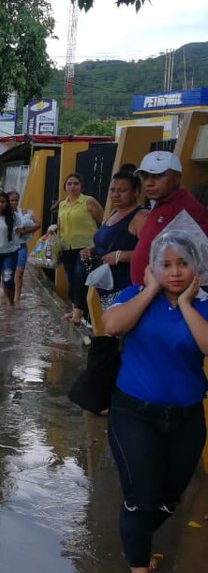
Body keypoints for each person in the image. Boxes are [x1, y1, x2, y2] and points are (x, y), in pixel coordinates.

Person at [102, 229, 208, 573]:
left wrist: (188, 305)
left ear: (198, 267)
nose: (175, 272)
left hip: (186, 420)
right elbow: (111, 325)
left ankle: (136, 539)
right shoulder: (136, 296)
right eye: (165, 264)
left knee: (168, 501)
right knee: (141, 496)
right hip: (134, 414)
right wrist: (148, 290)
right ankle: (137, 564)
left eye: (183, 263)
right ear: (152, 268)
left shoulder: (204, 305)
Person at [130, 151, 208, 285]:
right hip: (148, 293)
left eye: (158, 176)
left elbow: (199, 260)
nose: (149, 183)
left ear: (177, 178)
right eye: (145, 176)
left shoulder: (187, 208)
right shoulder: (161, 204)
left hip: (165, 297)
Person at [80, 167, 146, 310]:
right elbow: (107, 241)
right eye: (112, 190)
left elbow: (153, 253)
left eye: (122, 191)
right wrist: (92, 249)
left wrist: (119, 256)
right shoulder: (115, 212)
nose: (116, 194)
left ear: (136, 192)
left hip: (127, 289)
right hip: (107, 289)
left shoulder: (140, 217)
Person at [54, 173, 104, 324]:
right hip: (67, 247)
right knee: (71, 280)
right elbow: (61, 225)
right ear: (65, 187)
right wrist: (54, 232)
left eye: (76, 183)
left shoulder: (88, 202)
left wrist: (97, 245)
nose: (72, 186)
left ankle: (77, 315)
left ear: (81, 186)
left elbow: (103, 222)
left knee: (80, 277)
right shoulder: (62, 204)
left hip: (86, 248)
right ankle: (75, 309)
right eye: (69, 184)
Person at [7, 191, 40, 304]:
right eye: (12, 200)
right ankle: (6, 295)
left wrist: (25, 230)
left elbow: (38, 224)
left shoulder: (24, 212)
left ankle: (17, 298)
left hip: (21, 246)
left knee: (19, 272)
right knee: (7, 273)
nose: (14, 202)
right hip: (7, 248)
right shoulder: (3, 213)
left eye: (16, 200)